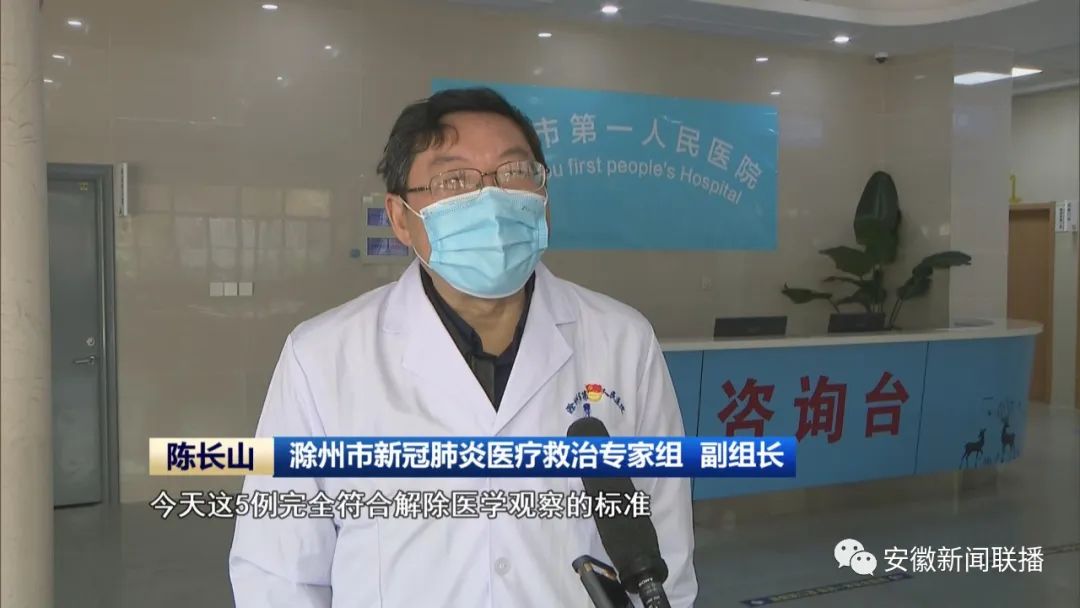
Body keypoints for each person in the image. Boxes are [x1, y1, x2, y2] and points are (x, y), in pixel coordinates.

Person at [229, 87, 698, 607]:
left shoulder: (622, 339)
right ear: (400, 218)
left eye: (514, 172)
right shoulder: (322, 357)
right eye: (454, 180)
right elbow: (278, 572)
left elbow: (666, 544)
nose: (492, 200)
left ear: (544, 198)